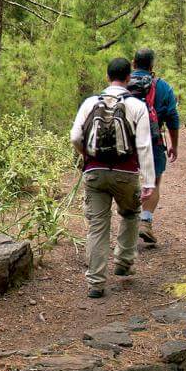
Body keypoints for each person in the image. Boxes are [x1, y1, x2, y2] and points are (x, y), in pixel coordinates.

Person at [70, 57, 156, 299]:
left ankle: (96, 283)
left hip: (94, 172)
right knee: (130, 213)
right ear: (128, 78)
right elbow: (144, 146)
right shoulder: (137, 106)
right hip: (126, 173)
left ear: (107, 77)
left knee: (97, 226)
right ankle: (123, 261)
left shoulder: (89, 103)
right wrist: (148, 182)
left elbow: (75, 136)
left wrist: (87, 156)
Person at [128, 48, 180, 246]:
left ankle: (129, 223)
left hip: (126, 143)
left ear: (134, 63)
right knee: (154, 182)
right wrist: (174, 145)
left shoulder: (123, 84)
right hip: (153, 141)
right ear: (151, 66)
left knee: (128, 180)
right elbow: (173, 119)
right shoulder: (163, 87)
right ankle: (145, 221)